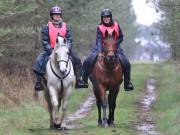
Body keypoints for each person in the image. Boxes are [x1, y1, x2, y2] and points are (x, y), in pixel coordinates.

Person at [33, 5, 85, 91]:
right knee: (39, 61)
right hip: (50, 50)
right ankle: (39, 83)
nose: (57, 16)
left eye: (58, 14)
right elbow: (45, 41)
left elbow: (69, 39)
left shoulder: (65, 26)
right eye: (55, 14)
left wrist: (67, 49)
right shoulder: (46, 28)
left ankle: (79, 80)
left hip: (64, 51)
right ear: (52, 16)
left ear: (60, 16)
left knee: (77, 60)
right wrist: (50, 51)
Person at [82, 8, 134, 91]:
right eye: (104, 17)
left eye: (107, 17)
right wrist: (99, 52)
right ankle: (84, 81)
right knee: (87, 61)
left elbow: (121, 37)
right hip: (101, 47)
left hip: (115, 47)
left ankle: (127, 83)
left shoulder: (116, 25)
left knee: (126, 63)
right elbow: (99, 40)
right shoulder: (100, 27)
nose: (106, 18)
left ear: (110, 17)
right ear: (102, 18)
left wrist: (115, 44)